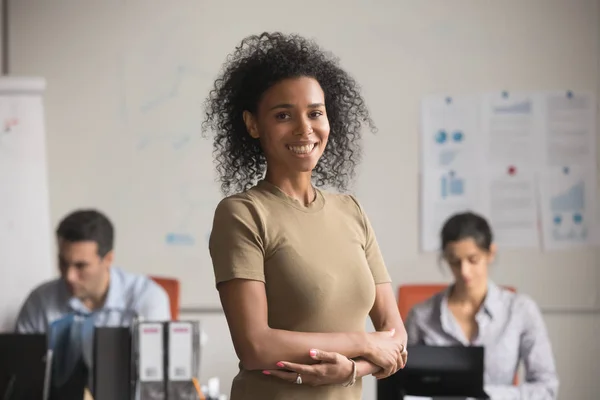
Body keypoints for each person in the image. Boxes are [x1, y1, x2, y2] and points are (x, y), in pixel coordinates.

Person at [203, 32, 407, 400]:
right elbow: (255, 346)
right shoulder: (243, 214)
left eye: (315, 112)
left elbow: (394, 338)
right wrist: (362, 342)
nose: (304, 128)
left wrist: (350, 370)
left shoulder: (352, 211)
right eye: (283, 115)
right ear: (253, 125)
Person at [405, 212, 559, 399]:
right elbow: (404, 385)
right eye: (454, 261)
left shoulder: (521, 310)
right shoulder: (421, 316)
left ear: (490, 253)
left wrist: (484, 395)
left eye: (473, 259)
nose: (464, 271)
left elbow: (546, 387)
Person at [15, 209, 171, 388]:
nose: (69, 276)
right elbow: (22, 375)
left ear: (108, 259)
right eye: (63, 263)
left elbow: (155, 380)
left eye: (81, 266)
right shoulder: (40, 302)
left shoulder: (147, 298)